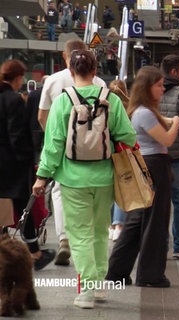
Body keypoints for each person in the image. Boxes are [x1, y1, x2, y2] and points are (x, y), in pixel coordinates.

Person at [32, 49, 136, 308]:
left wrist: (42, 177)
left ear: (71, 71)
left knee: (79, 235)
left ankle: (87, 290)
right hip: (104, 179)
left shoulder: (63, 101)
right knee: (100, 231)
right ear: (95, 71)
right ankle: (99, 286)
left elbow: (53, 144)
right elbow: (129, 137)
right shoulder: (109, 98)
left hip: (72, 179)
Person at [106, 66, 179, 288]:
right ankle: (150, 275)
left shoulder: (142, 111)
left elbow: (164, 122)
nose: (162, 89)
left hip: (146, 165)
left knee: (137, 221)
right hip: (154, 167)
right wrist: (177, 123)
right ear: (147, 88)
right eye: (159, 85)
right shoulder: (145, 113)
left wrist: (174, 120)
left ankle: (117, 272)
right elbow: (168, 140)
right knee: (155, 222)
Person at [38, 39, 107, 267]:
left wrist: (45, 169)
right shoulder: (100, 84)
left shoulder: (54, 81)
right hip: (100, 163)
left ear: (65, 59)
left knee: (58, 193)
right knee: (97, 227)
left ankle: (64, 238)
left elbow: (42, 117)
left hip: (67, 162)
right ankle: (94, 283)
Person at [0, 60, 56, 271]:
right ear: (16, 78)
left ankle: (11, 251)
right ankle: (34, 253)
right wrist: (28, 162)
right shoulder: (12, 101)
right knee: (24, 207)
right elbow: (16, 136)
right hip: (10, 166)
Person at [159, 55, 179, 259]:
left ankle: (160, 244)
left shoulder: (151, 91)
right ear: (174, 72)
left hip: (155, 157)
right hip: (178, 158)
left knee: (158, 203)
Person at [107, 80, 129, 241]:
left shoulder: (105, 105)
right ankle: (119, 225)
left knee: (109, 191)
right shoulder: (130, 106)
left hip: (106, 153)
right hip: (124, 154)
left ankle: (109, 226)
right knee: (122, 191)